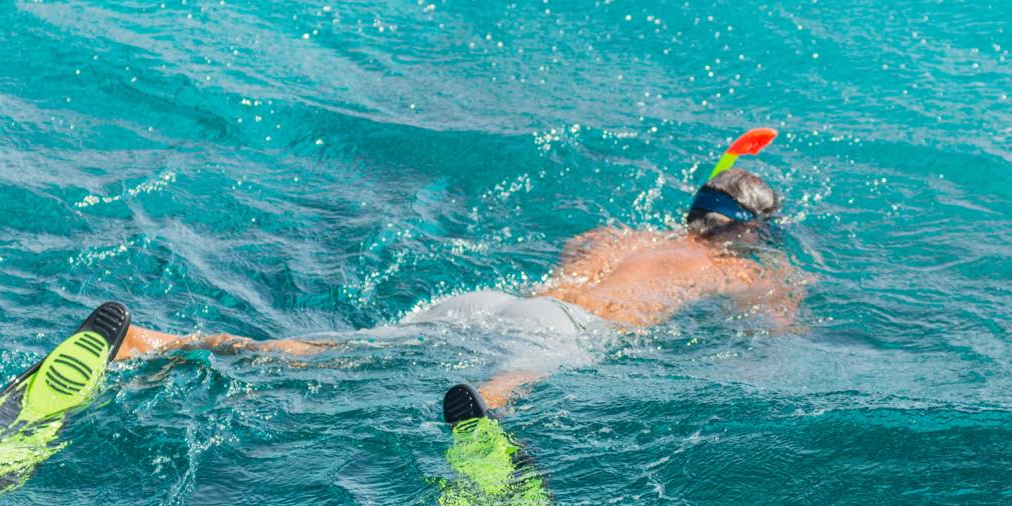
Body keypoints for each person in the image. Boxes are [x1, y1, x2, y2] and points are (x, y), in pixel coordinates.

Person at [114, 164, 804, 411]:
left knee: (317, 349)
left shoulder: (610, 234)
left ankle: (157, 339)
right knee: (513, 380)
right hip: (567, 330)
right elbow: (777, 336)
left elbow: (574, 265)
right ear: (750, 231)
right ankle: (484, 416)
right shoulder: (738, 268)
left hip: (490, 304)